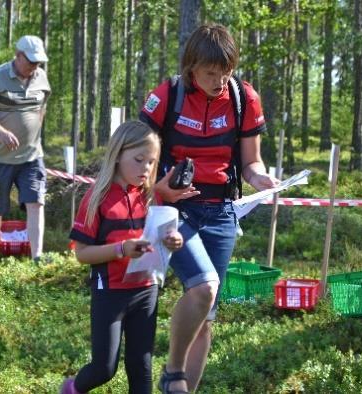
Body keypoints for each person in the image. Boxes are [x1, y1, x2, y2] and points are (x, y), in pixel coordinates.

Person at [139, 24, 279, 393]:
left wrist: (260, 178)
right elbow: (136, 160)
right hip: (175, 210)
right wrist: (158, 188)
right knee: (204, 288)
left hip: (221, 211)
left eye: (226, 72)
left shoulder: (243, 98)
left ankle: (181, 386)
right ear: (191, 68)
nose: (219, 81)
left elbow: (251, 163)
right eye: (210, 73)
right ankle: (173, 372)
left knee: (207, 312)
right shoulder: (167, 96)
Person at [61, 120, 184, 394]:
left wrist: (172, 241)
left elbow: (158, 237)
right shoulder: (97, 198)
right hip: (110, 292)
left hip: (146, 289)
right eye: (139, 160)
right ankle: (71, 388)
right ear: (117, 155)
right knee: (104, 368)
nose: (146, 169)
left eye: (152, 162)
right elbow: (82, 254)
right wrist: (121, 249)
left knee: (142, 366)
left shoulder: (151, 198)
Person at [0, 35, 50, 261]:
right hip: (0, 158)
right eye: (31, 61)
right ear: (18, 56)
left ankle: (37, 256)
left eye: (38, 62)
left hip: (32, 156)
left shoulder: (41, 78)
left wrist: (33, 134)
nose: (35, 66)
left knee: (36, 202)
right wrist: (1, 132)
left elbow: (41, 109)